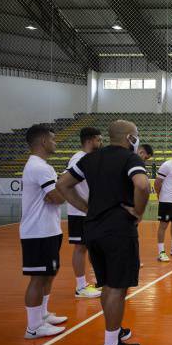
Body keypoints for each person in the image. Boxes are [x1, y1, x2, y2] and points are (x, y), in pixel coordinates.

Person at [58, 119, 149, 345]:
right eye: (136, 134)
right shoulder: (130, 159)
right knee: (118, 289)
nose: (137, 138)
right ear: (129, 137)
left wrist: (86, 207)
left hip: (93, 229)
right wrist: (138, 212)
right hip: (118, 229)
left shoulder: (89, 158)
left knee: (106, 284)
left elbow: (62, 184)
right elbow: (142, 185)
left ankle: (114, 331)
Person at [20, 125, 67, 339]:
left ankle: (43, 315)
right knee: (38, 278)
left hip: (48, 229)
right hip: (38, 231)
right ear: (43, 142)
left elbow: (54, 195)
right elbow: (56, 197)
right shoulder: (40, 167)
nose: (56, 143)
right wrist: (60, 192)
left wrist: (57, 192)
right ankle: (33, 327)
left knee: (48, 274)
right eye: (53, 139)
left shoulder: (41, 166)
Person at [65, 127, 103, 299]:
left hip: (89, 212)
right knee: (80, 248)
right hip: (80, 212)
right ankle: (80, 287)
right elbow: (65, 182)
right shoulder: (78, 158)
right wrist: (82, 205)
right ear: (90, 140)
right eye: (99, 139)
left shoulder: (89, 158)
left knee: (88, 246)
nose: (101, 143)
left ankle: (93, 281)